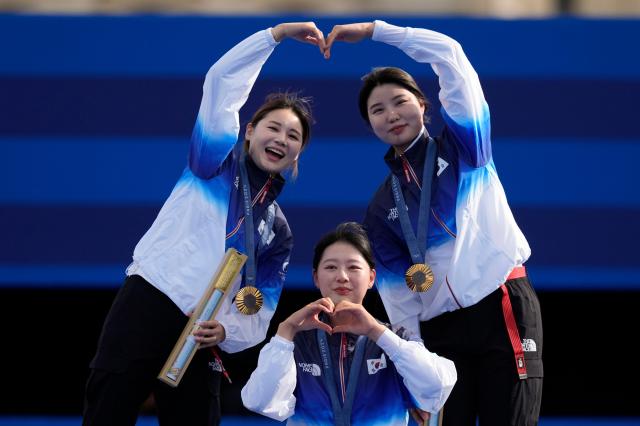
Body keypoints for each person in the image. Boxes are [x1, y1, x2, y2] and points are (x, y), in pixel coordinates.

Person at [83, 22, 326, 426]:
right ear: (248, 132)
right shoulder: (212, 163)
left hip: (203, 334)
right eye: (273, 127)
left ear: (298, 154)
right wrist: (276, 35)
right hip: (149, 302)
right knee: (107, 412)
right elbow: (221, 80)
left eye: (294, 136)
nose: (282, 138)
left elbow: (259, 304)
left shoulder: (278, 230)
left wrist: (226, 331)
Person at [322, 21, 544, 425]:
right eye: (377, 110)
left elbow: (452, 57)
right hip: (440, 333)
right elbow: (399, 302)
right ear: (370, 126)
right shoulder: (381, 207)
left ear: (423, 105)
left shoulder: (465, 147)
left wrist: (375, 30)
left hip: (502, 305)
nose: (391, 114)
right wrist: (415, 374)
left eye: (399, 101)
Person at [241, 222, 457, 425]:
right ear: (316, 278)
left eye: (353, 267)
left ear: (371, 278)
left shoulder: (394, 339)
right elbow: (260, 401)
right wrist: (286, 331)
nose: (342, 276)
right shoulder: (295, 343)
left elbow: (438, 386)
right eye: (331, 267)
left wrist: (376, 332)